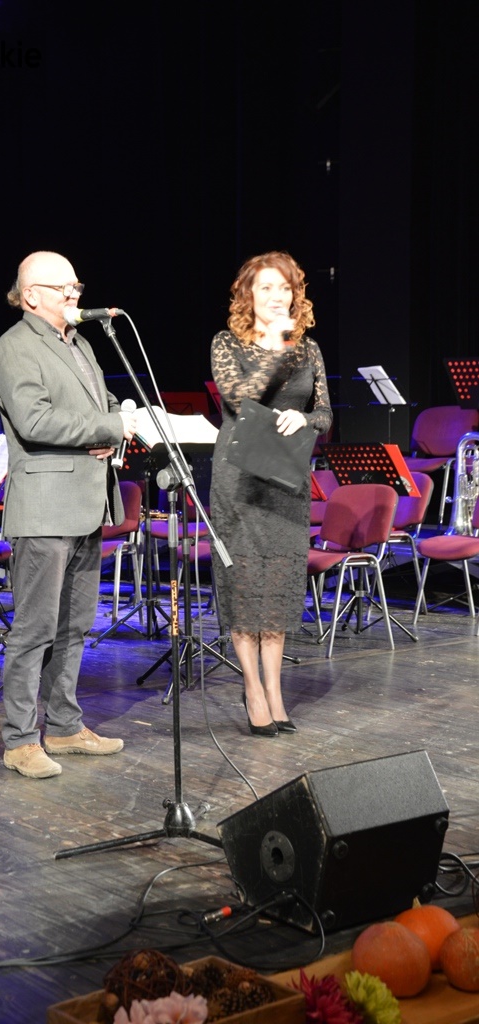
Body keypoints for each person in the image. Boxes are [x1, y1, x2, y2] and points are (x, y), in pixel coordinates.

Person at [0, 250, 137, 778]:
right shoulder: (14, 346)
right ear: (31, 295)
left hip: (86, 504)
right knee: (35, 631)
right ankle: (19, 741)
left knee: (75, 627)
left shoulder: (79, 344)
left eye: (77, 285)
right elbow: (34, 421)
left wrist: (120, 418)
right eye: (64, 287)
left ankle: (65, 726)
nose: (75, 294)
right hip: (45, 508)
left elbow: (102, 405)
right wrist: (106, 428)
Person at [210, 251, 332, 737]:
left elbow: (325, 414)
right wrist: (277, 345)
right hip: (238, 480)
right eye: (266, 287)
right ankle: (253, 690)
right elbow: (240, 398)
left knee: (278, 590)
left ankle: (276, 692)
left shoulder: (310, 349)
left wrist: (305, 418)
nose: (277, 296)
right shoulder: (227, 343)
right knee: (245, 587)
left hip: (286, 480)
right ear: (248, 295)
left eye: (285, 288)